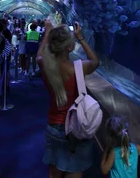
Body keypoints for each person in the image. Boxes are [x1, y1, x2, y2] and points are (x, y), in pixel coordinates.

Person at [38, 20, 100, 178]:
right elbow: (95, 62)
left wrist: (48, 31)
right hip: (76, 127)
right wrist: (81, 38)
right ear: (69, 47)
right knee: (75, 170)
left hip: (54, 125)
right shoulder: (79, 67)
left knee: (54, 172)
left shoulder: (45, 64)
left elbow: (39, 54)